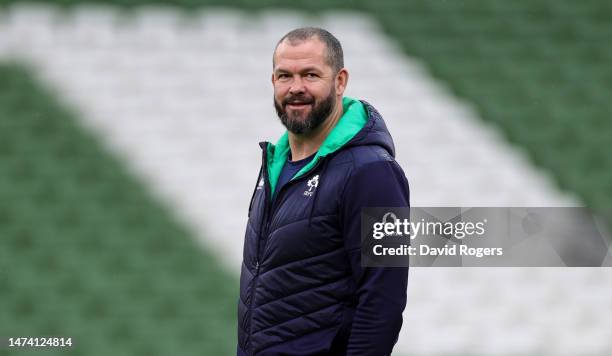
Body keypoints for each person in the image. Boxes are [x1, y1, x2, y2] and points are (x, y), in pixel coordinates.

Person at [237, 27, 410, 356]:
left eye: (311, 75)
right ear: (273, 82)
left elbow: (382, 300)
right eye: (285, 75)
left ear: (340, 81)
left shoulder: (372, 172)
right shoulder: (274, 165)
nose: (296, 88)